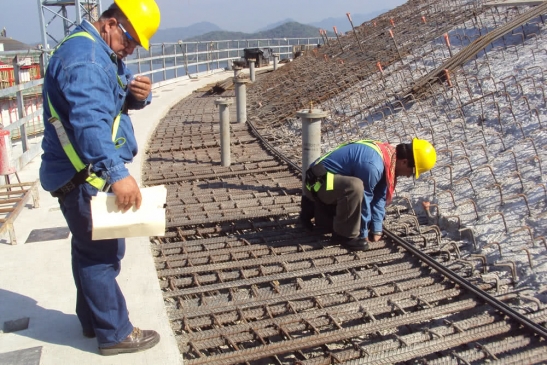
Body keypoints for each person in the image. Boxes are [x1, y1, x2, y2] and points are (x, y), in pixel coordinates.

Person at [39, 0, 161, 356]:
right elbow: (90, 122)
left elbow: (113, 95)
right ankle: (115, 332)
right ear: (110, 23)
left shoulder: (93, 49)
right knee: (102, 254)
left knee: (86, 246)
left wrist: (140, 96)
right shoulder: (88, 59)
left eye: (136, 45)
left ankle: (91, 319)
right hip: (82, 176)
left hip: (76, 174)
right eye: (129, 40)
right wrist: (118, 175)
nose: (130, 49)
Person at [300, 138, 436, 251]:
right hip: (316, 184)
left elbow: (379, 196)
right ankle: (345, 236)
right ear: (404, 161)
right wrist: (362, 234)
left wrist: (377, 229)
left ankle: (314, 208)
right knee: (355, 187)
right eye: (411, 172)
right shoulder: (373, 165)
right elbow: (365, 198)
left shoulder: (387, 156)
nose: (408, 176)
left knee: (331, 223)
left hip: (327, 183)